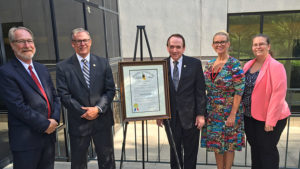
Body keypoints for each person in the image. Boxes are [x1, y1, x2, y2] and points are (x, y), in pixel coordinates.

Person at [0, 27, 60, 169]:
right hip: (26, 142)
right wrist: (46, 125)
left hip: (48, 138)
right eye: (21, 41)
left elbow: (55, 97)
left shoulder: (42, 68)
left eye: (29, 41)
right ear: (13, 45)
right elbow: (18, 107)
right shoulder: (6, 72)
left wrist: (55, 120)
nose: (27, 45)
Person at [56, 28, 116, 169]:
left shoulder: (103, 63)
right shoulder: (63, 67)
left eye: (85, 40)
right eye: (78, 41)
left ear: (90, 42)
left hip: (102, 121)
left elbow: (110, 90)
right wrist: (85, 112)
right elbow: (64, 95)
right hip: (79, 122)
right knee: (78, 163)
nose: (82, 43)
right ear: (73, 44)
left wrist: (97, 109)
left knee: (107, 160)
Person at [157, 34, 206, 169]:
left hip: (191, 118)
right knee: (175, 152)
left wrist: (201, 114)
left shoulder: (194, 64)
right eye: (171, 47)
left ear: (183, 48)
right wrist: (159, 113)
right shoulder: (161, 65)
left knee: (190, 153)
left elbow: (200, 91)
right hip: (170, 117)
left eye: (178, 47)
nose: (175, 50)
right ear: (167, 48)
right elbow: (159, 91)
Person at [242, 34, 291, 169]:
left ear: (268, 46)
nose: (258, 47)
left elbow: (278, 95)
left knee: (267, 151)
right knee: (255, 150)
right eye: (255, 44)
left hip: (269, 118)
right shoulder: (248, 65)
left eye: (261, 44)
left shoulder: (276, 66)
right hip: (250, 116)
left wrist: (271, 120)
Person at [201, 31, 245, 169]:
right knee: (216, 144)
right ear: (213, 45)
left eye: (222, 42)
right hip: (213, 113)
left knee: (229, 145)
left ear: (228, 44)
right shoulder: (210, 64)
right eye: (216, 42)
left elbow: (239, 91)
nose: (219, 44)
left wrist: (233, 114)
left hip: (229, 112)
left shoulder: (234, 64)